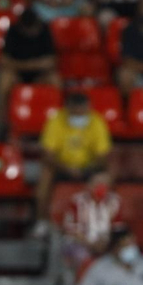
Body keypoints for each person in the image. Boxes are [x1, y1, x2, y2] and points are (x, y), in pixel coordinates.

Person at [35, 92, 112, 230]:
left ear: (88, 108)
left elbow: (102, 156)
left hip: (88, 168)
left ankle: (101, 222)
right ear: (68, 108)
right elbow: (47, 154)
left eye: (82, 113)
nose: (79, 117)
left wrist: (89, 168)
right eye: (75, 114)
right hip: (61, 167)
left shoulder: (97, 121)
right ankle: (42, 222)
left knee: (105, 177)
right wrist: (66, 168)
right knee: (45, 175)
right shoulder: (56, 120)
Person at [60, 169, 124, 269]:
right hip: (81, 243)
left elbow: (118, 229)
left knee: (123, 256)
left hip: (107, 244)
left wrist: (105, 244)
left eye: (106, 184)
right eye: (98, 183)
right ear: (89, 185)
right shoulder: (77, 201)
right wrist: (90, 244)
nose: (101, 187)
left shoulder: (115, 201)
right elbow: (70, 229)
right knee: (84, 258)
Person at [0, 5, 60, 108]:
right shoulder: (13, 31)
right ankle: (2, 120)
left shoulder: (45, 29)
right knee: (4, 81)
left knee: (55, 80)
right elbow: (4, 60)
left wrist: (25, 65)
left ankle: (56, 115)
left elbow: (52, 61)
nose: (31, 32)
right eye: (28, 30)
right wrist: (32, 65)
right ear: (22, 27)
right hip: (18, 73)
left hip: (40, 74)